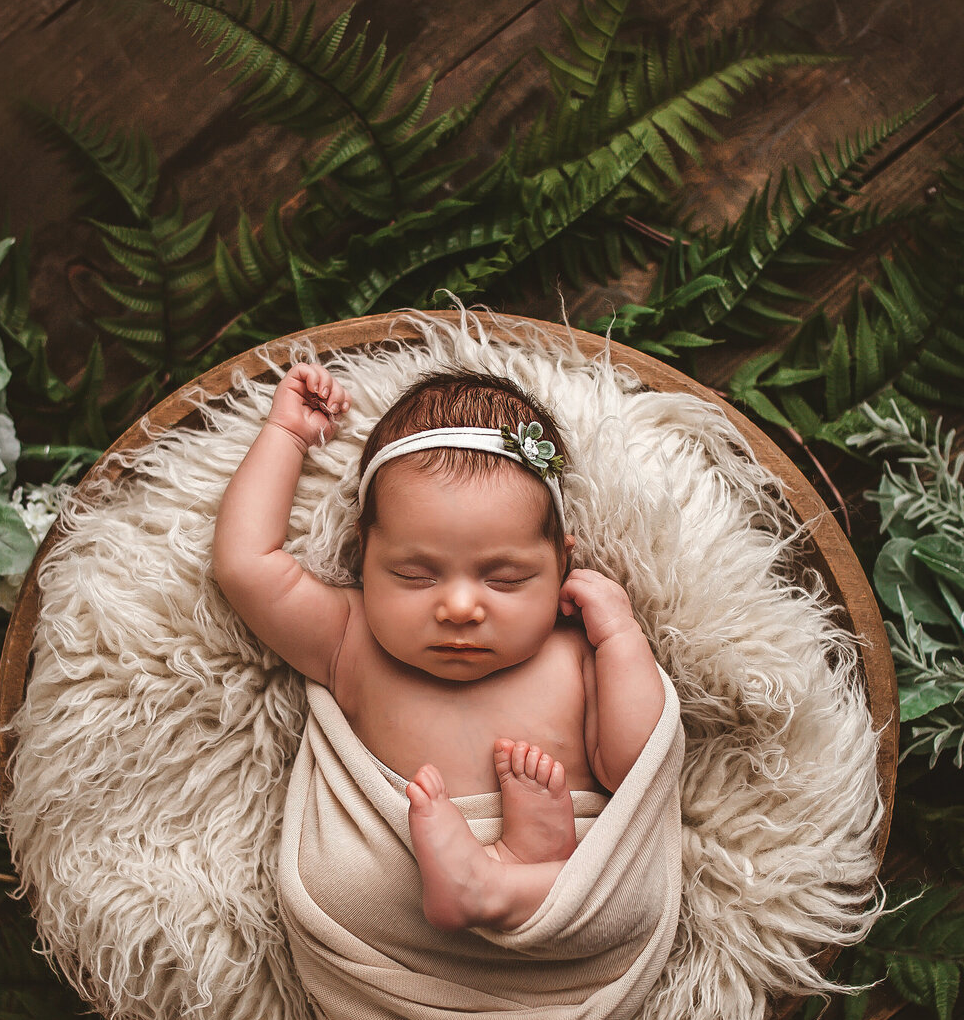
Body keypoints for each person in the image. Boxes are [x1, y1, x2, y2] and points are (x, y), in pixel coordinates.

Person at [213, 360, 668, 935]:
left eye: (503, 579)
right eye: (414, 575)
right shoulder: (351, 641)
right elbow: (246, 565)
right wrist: (285, 435)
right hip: (404, 934)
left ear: (563, 566)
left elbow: (635, 765)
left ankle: (504, 883)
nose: (458, 607)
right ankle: (497, 880)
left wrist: (623, 639)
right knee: (348, 885)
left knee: (630, 899)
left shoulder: (577, 652)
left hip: (571, 913)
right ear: (364, 557)